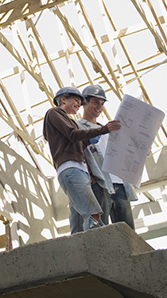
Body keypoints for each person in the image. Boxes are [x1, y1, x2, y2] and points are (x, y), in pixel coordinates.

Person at [43, 86, 121, 233]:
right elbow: (73, 135)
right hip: (71, 169)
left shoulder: (68, 121)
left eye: (80, 102)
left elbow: (75, 140)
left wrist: (88, 140)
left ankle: (95, 241)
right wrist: (103, 129)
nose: (79, 104)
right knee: (92, 214)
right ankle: (92, 245)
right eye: (76, 100)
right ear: (63, 99)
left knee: (93, 213)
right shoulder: (54, 112)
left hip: (78, 170)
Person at [77, 85, 138, 230]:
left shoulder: (109, 130)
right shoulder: (78, 127)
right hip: (101, 183)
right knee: (102, 230)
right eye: (96, 102)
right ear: (85, 102)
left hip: (120, 184)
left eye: (102, 103)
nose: (99, 107)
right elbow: (76, 153)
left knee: (127, 231)